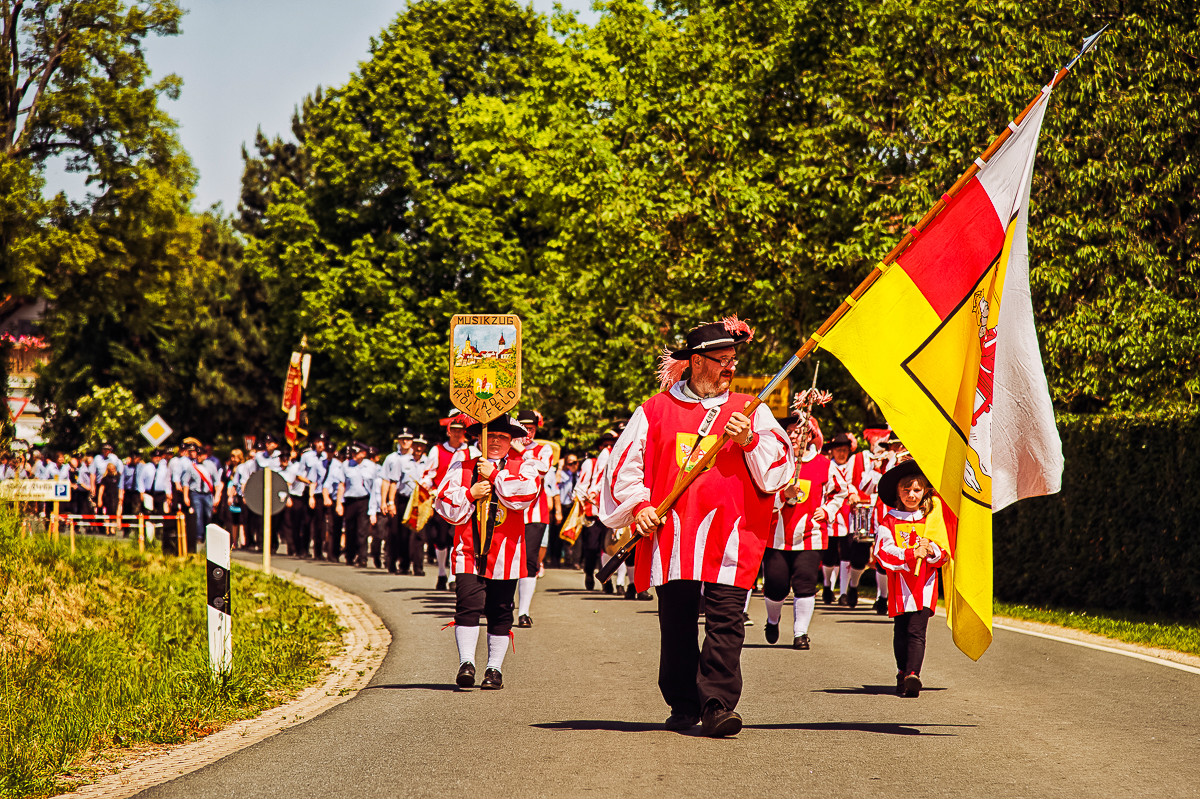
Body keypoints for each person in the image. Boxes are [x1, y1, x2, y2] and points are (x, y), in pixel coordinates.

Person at [600, 316, 793, 737]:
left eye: (733, 360)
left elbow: (779, 470)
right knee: (678, 623)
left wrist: (750, 441)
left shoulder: (751, 409)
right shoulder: (654, 410)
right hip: (674, 536)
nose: (730, 368)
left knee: (727, 620)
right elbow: (623, 469)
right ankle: (683, 703)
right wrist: (640, 507)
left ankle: (717, 704)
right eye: (722, 360)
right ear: (696, 362)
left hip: (733, 535)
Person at [433, 414, 540, 690]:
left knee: (500, 610)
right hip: (468, 550)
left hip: (506, 553)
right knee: (467, 605)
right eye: (490, 436)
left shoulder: (524, 466)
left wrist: (493, 475)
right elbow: (443, 503)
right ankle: (466, 663)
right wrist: (471, 494)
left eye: (502, 437)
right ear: (480, 439)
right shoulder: (462, 465)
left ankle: (494, 669)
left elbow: (524, 496)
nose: (495, 441)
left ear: (510, 441)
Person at [764, 417, 845, 650]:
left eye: (798, 431)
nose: (792, 435)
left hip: (811, 536)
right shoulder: (775, 462)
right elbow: (762, 494)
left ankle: (801, 633)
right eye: (789, 431)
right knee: (776, 586)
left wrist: (827, 510)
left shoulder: (824, 464)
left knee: (805, 583)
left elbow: (840, 491)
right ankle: (772, 620)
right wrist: (783, 495)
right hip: (777, 536)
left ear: (809, 436)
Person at [873, 458, 951, 698]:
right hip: (900, 586)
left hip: (924, 586)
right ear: (898, 492)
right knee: (901, 631)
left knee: (917, 631)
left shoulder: (932, 520)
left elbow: (944, 553)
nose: (911, 495)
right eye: (906, 490)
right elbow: (883, 553)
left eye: (917, 490)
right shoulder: (889, 520)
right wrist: (910, 554)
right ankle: (901, 672)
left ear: (925, 491)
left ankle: (913, 675)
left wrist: (931, 551)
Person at [511, 410, 555, 627]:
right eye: (524, 428)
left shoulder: (543, 449)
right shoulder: (505, 447)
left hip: (535, 514)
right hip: (509, 513)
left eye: (531, 429)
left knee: (529, 561)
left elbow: (543, 469)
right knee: (508, 559)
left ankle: (524, 612)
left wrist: (523, 451)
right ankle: (504, 603)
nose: (527, 433)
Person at [421, 414, 473, 589]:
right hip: (441, 500)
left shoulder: (471, 451)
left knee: (456, 538)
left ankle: (453, 577)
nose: (457, 434)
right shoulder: (437, 450)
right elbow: (428, 474)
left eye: (460, 431)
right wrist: (427, 488)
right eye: (454, 430)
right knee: (441, 539)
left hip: (463, 500)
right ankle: (442, 572)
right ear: (448, 431)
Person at [576, 430, 618, 591]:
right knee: (591, 548)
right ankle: (588, 572)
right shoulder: (590, 463)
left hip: (609, 512)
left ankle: (607, 581)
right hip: (592, 512)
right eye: (605, 445)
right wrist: (583, 500)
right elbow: (581, 485)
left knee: (608, 547)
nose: (608, 448)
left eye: (611, 445)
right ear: (600, 446)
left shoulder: (617, 462)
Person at [380, 428, 419, 574]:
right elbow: (387, 481)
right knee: (394, 533)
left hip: (415, 500)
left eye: (408, 439)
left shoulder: (418, 457)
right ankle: (391, 562)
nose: (405, 441)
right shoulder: (392, 458)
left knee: (410, 535)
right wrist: (386, 502)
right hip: (398, 498)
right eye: (403, 439)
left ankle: (406, 564)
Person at [338, 444, 374, 567]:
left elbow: (375, 487)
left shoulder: (371, 466)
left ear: (363, 453)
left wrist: (374, 506)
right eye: (353, 453)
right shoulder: (346, 465)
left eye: (356, 453)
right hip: (350, 501)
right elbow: (342, 485)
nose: (353, 455)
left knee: (362, 530)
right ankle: (350, 555)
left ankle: (362, 557)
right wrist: (339, 503)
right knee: (350, 529)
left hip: (364, 500)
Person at [183, 444, 221, 552]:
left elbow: (217, 482)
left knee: (208, 515)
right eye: (198, 454)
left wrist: (217, 496)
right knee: (198, 515)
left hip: (208, 494)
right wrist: (186, 496)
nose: (199, 457)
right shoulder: (192, 466)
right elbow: (186, 482)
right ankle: (199, 537)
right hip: (196, 493)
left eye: (201, 455)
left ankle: (207, 536)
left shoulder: (211, 465)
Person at [301, 433, 330, 560]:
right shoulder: (306, 456)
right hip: (309, 490)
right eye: (318, 441)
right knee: (307, 521)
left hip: (322, 493)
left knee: (320, 523)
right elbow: (299, 474)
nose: (320, 444)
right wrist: (310, 482)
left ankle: (318, 551)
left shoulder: (326, 457)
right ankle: (304, 549)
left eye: (322, 442)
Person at [96, 461, 123, 533]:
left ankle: (112, 528)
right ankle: (107, 528)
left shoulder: (118, 477)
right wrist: (99, 499)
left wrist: (121, 495)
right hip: (107, 498)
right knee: (107, 513)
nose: (112, 470)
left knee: (115, 512)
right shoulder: (105, 478)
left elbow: (121, 487)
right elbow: (101, 489)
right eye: (111, 469)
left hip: (116, 497)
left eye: (113, 468)